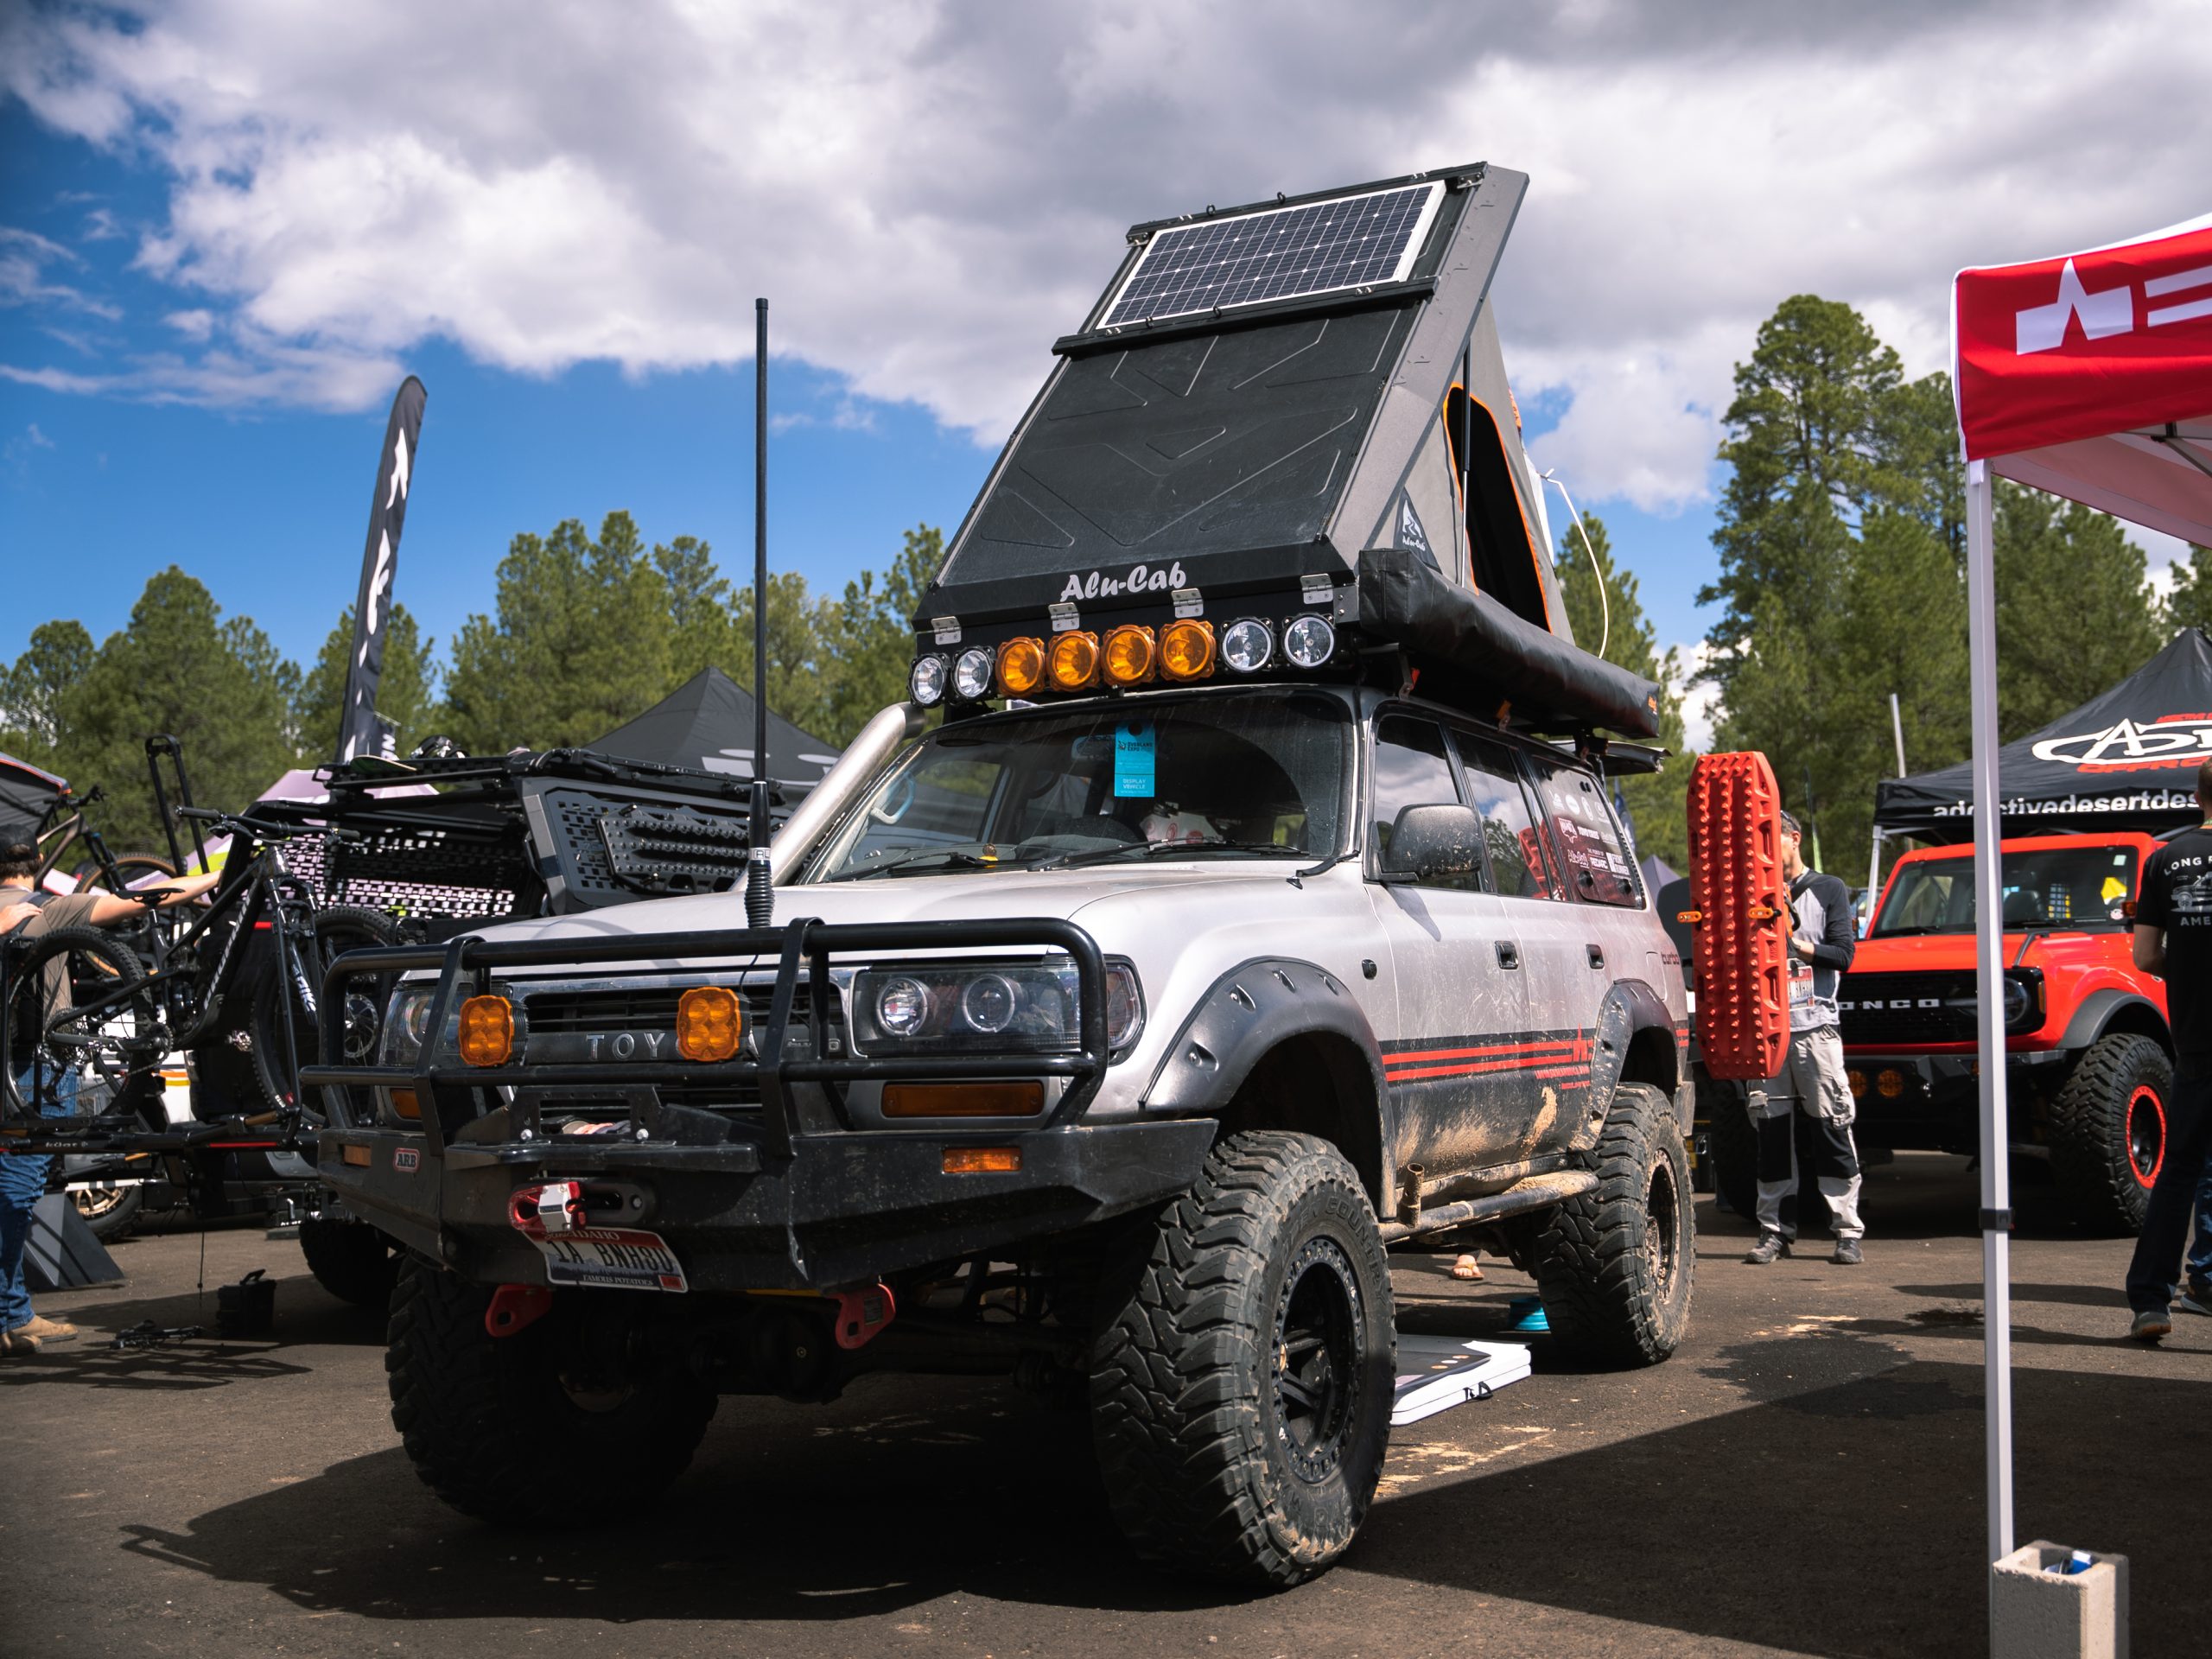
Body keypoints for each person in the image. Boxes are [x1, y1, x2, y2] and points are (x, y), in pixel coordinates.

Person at [0, 842, 219, 1356]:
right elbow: (148, 898)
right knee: (18, 1192)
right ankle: (10, 1315)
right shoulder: (50, 909)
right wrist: (220, 878)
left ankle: (13, 1311)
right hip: (37, 1069)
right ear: (35, 869)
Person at [1744, 809, 1866, 1266]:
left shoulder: (1828, 888)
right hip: (1768, 1034)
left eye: (1768, 837)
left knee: (1832, 1126)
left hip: (1815, 1029)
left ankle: (1847, 1230)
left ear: (1793, 839)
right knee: (1770, 1134)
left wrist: (1797, 946)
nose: (1761, 847)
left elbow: (1844, 954)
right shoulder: (1753, 892)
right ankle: (1774, 1230)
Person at [2123, 761, 2212, 1343]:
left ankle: (2152, 1300)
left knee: (2179, 1170)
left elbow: (2145, 957)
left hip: (2199, 1038)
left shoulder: (2165, 858)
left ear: (2198, 794)